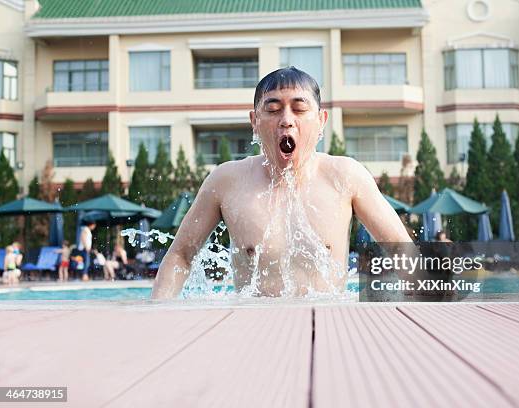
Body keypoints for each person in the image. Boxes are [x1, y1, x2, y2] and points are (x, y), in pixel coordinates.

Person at [152, 67, 412, 299]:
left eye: (299, 109)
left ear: (321, 121)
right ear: (254, 121)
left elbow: (403, 251)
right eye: (273, 110)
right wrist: (157, 311)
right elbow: (181, 256)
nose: (286, 120)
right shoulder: (226, 181)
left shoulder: (345, 176)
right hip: (255, 328)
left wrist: (431, 304)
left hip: (328, 323)